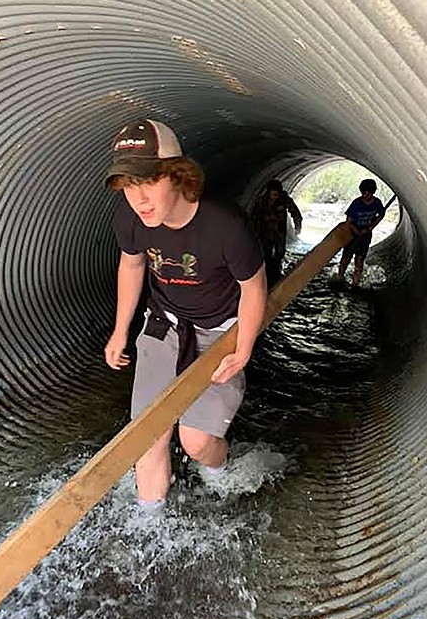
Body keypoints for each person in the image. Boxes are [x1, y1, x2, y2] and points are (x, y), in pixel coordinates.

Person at [104, 119, 267, 512]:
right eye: (128, 186)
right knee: (147, 435)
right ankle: (149, 527)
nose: (138, 199)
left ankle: (219, 471)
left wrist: (243, 349)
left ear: (178, 175)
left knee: (195, 441)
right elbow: (132, 266)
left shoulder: (225, 226)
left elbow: (254, 287)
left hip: (220, 331)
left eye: (148, 183)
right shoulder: (131, 219)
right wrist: (120, 331)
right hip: (165, 324)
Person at [250, 179, 302, 286]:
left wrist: (298, 226)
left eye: (277, 194)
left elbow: (295, 212)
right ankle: (267, 277)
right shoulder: (261, 201)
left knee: (279, 253)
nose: (275, 196)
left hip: (279, 231)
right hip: (265, 232)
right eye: (273, 194)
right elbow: (254, 217)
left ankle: (277, 274)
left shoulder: (285, 200)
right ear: (268, 192)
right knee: (266, 254)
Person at [337, 179, 386, 287]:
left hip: (366, 234)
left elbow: (381, 214)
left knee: (359, 259)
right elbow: (348, 222)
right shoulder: (357, 203)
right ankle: (340, 277)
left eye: (367, 193)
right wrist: (357, 231)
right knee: (346, 257)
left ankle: (355, 284)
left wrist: (371, 227)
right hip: (352, 233)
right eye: (363, 193)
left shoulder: (377, 203)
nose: (365, 195)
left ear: (372, 192)